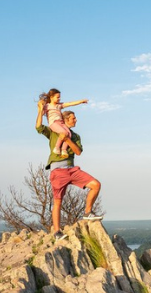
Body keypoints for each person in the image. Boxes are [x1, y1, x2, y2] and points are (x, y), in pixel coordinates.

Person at [35, 104, 102, 241]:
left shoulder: (76, 136)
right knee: (57, 202)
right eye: (73, 118)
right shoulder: (54, 132)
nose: (76, 120)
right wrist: (41, 111)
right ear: (65, 120)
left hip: (72, 170)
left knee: (95, 185)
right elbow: (38, 128)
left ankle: (88, 212)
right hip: (58, 171)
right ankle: (57, 232)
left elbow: (78, 151)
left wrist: (67, 140)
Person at [38, 88, 89, 156]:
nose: (59, 99)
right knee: (64, 132)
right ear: (51, 97)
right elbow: (41, 113)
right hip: (53, 123)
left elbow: (70, 103)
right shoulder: (47, 106)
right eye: (58, 97)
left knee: (69, 134)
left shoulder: (59, 105)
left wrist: (81, 101)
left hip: (61, 123)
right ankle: (57, 148)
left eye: (60, 97)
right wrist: (40, 107)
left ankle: (63, 150)